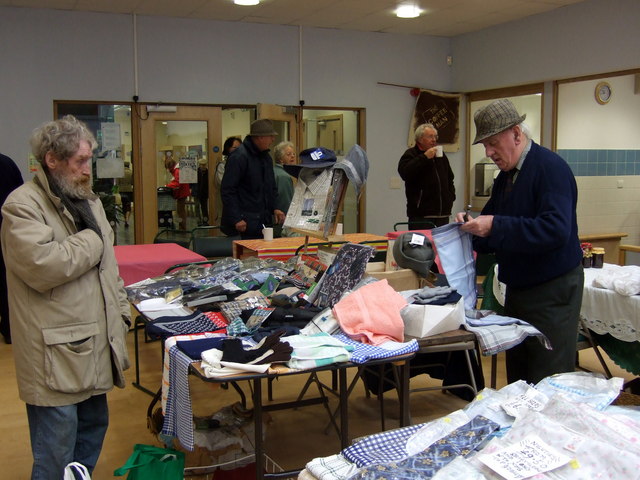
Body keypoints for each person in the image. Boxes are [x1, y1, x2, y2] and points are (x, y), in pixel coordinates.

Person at [0, 115, 131, 478]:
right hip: (54, 353)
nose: (87, 169)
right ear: (51, 160)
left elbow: (109, 269)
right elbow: (44, 266)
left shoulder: (88, 201)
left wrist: (121, 312)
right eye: (79, 161)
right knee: (56, 448)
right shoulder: (22, 205)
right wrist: (94, 238)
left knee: (92, 431)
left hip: (94, 344)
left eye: (89, 159)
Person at [455, 99, 583, 385]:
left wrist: (495, 226)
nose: (488, 153)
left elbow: (555, 230)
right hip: (518, 290)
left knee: (548, 378)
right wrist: (471, 228)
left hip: (551, 292)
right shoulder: (506, 178)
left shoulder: (550, 169)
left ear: (516, 133)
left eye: (492, 143)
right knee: (519, 378)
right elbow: (494, 227)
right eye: (484, 146)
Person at [221, 119, 285, 239]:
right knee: (247, 257)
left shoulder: (266, 158)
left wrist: (275, 207)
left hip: (263, 222)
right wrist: (236, 218)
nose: (273, 139)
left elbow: (271, 187)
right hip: (243, 224)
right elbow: (228, 190)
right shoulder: (238, 157)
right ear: (260, 137)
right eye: (270, 136)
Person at [398, 123, 455, 229]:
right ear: (420, 139)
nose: (434, 140)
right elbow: (405, 173)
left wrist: (450, 196)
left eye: (435, 136)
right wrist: (424, 157)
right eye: (430, 136)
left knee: (441, 245)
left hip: (443, 214)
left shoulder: (441, 156)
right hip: (421, 215)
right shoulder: (411, 154)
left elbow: (450, 178)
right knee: (421, 245)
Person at [0, 153, 24, 344]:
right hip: (7, 230)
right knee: (6, 281)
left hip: (6, 229)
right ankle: (9, 330)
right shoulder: (7, 162)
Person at [214, 136, 241, 223]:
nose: (238, 150)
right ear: (228, 148)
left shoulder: (242, 163)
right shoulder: (222, 165)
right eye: (235, 148)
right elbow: (225, 185)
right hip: (227, 205)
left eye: (240, 148)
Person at [272, 141, 296, 237]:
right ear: (280, 159)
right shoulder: (283, 176)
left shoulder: (273, 171)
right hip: (281, 221)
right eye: (288, 154)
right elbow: (286, 203)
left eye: (294, 154)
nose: (293, 157)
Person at [164, 154, 191, 230]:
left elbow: (177, 182)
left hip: (181, 193)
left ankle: (182, 228)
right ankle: (181, 227)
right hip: (182, 192)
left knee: (181, 211)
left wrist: (167, 186)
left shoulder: (177, 170)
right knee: (181, 211)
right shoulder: (178, 169)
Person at [117, 160, 133, 227]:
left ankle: (125, 218)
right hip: (129, 190)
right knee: (128, 206)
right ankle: (127, 219)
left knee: (123, 206)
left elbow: (117, 183)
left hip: (121, 191)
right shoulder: (131, 173)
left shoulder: (120, 173)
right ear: (128, 165)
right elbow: (132, 182)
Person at [196, 157, 209, 225]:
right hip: (197, 192)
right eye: (201, 164)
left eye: (204, 164)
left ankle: (205, 221)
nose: (203, 166)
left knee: (204, 208)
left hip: (204, 193)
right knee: (197, 207)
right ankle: (198, 221)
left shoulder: (208, 173)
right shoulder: (195, 172)